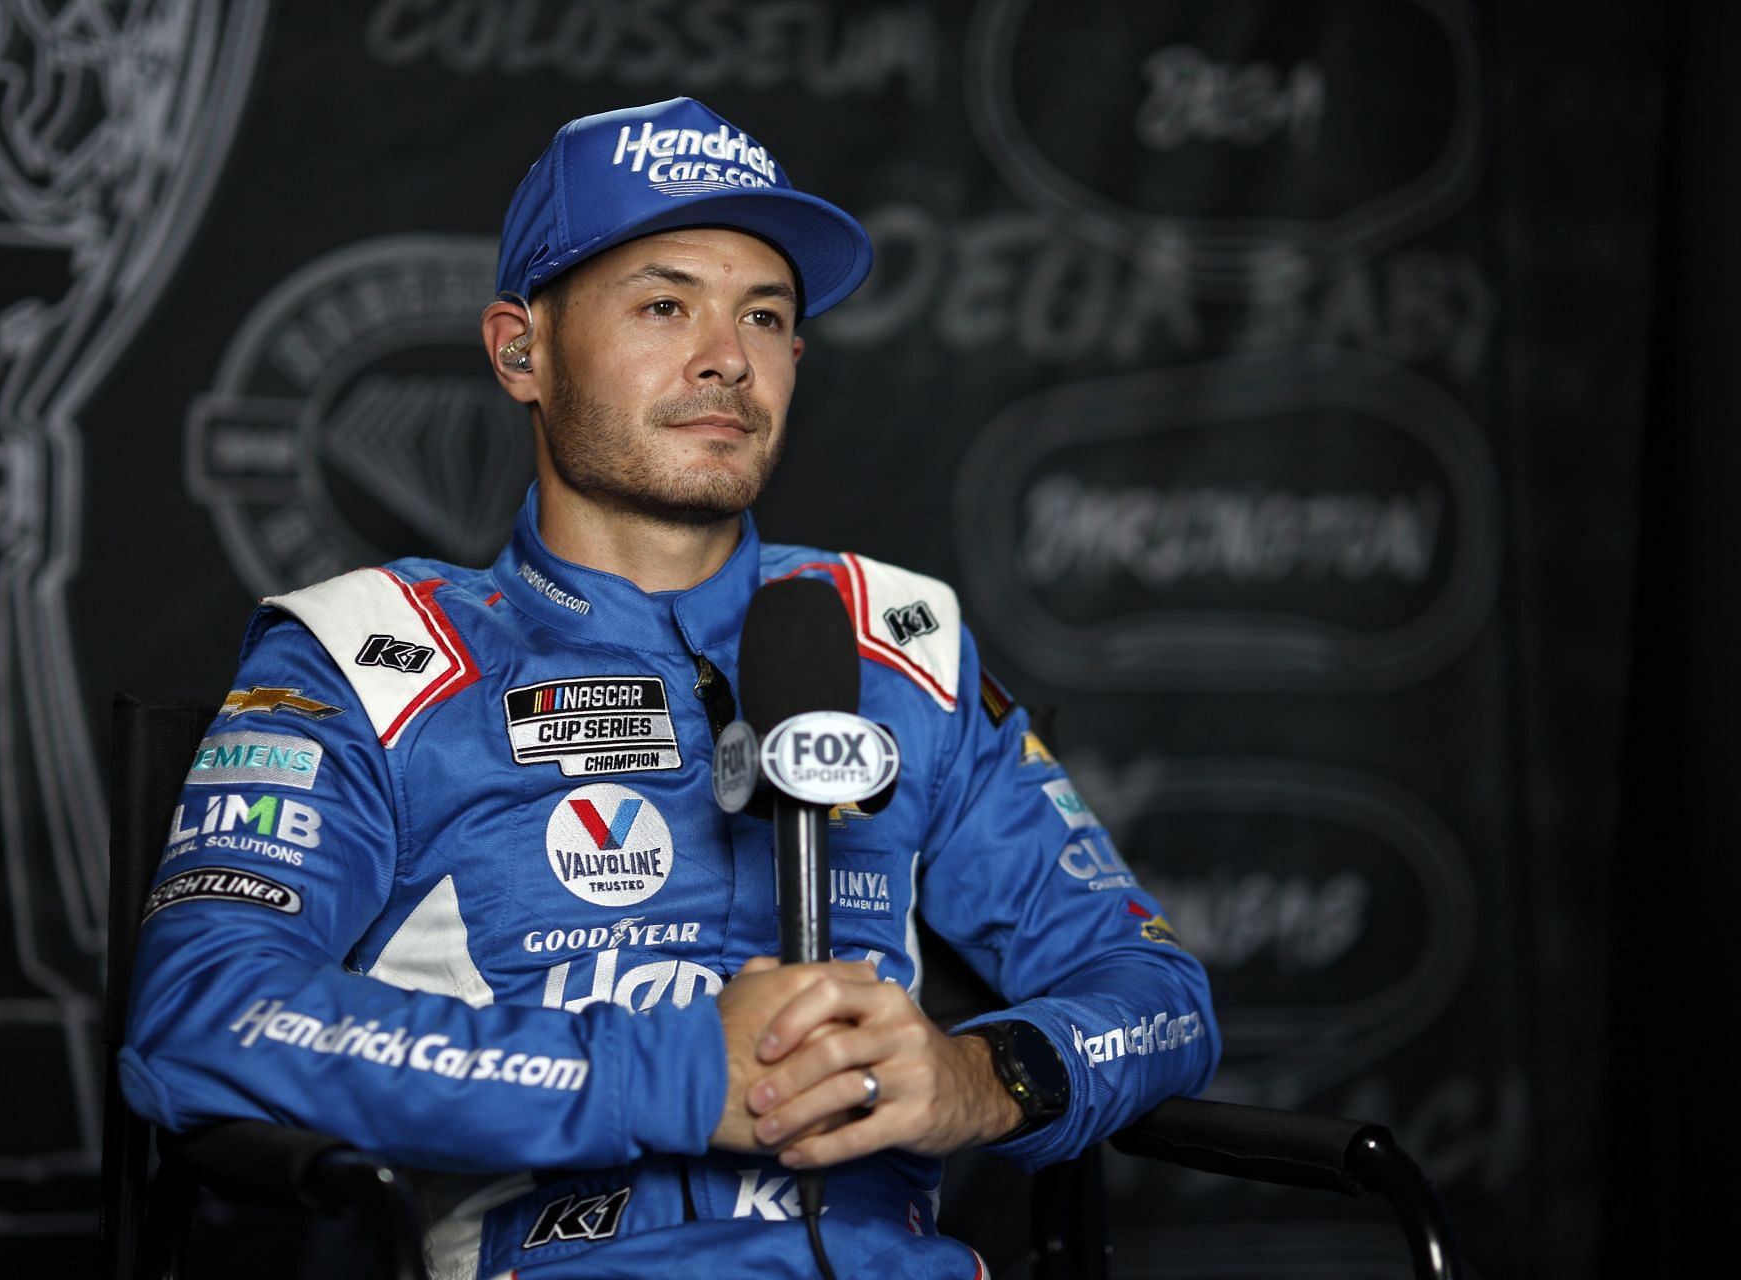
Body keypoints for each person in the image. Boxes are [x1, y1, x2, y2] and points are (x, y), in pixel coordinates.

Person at [122, 97, 1219, 1279]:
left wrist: (984, 1076)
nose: (725, 358)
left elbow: (1159, 993)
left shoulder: (902, 641)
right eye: (663, 304)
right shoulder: (370, 652)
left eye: (766, 315)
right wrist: (680, 1072)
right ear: (519, 350)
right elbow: (202, 1017)